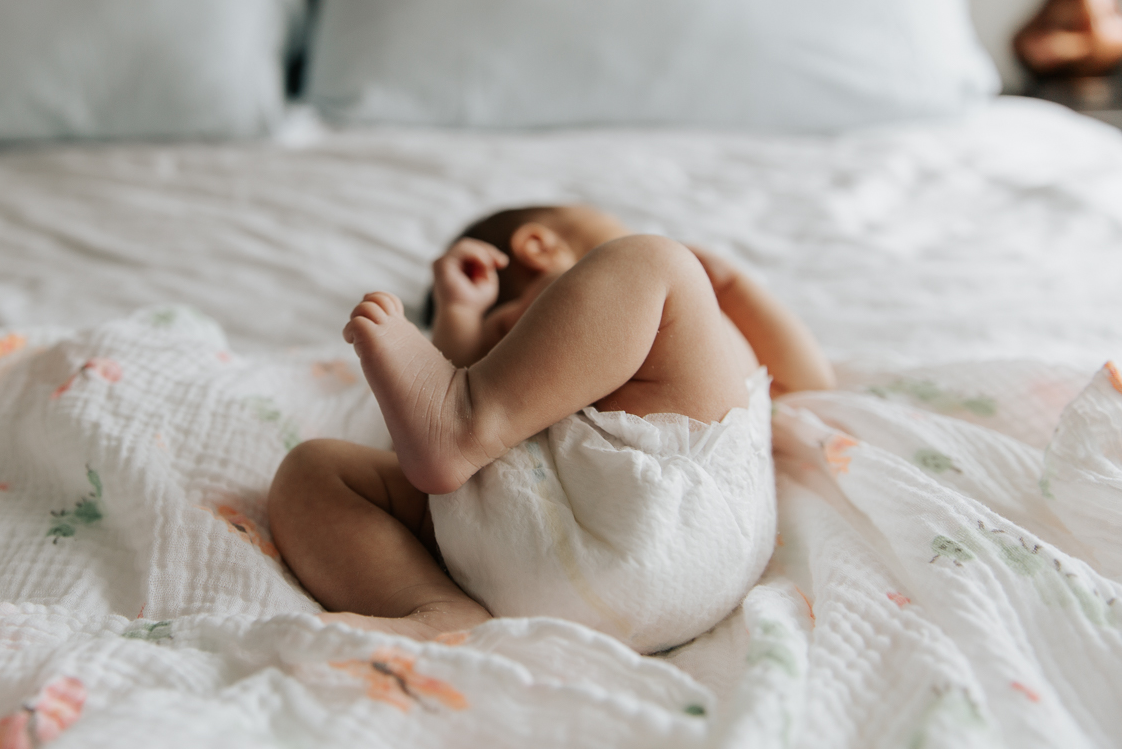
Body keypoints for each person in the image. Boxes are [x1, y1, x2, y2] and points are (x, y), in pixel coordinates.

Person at [267, 205, 835, 647]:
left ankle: (463, 420)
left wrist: (730, 286)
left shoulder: (700, 327)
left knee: (656, 264)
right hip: (590, 562)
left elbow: (810, 387)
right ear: (540, 246)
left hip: (654, 520)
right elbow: (441, 420)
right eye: (610, 235)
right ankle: (436, 610)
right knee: (313, 470)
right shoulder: (543, 320)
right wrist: (461, 317)